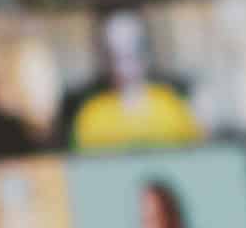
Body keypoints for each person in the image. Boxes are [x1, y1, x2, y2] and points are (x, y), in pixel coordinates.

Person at [69, 10, 203, 150]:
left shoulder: (172, 107)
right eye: (115, 56)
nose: (122, 67)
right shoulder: (92, 116)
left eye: (130, 54)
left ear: (147, 55)